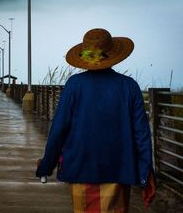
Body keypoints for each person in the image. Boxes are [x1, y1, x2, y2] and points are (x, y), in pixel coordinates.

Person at [36, 28, 156, 212]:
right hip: (119, 169)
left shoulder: (74, 85)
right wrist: (145, 173)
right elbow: (141, 134)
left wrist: (46, 165)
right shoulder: (129, 86)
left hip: (81, 168)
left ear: (85, 56)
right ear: (113, 54)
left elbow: (59, 130)